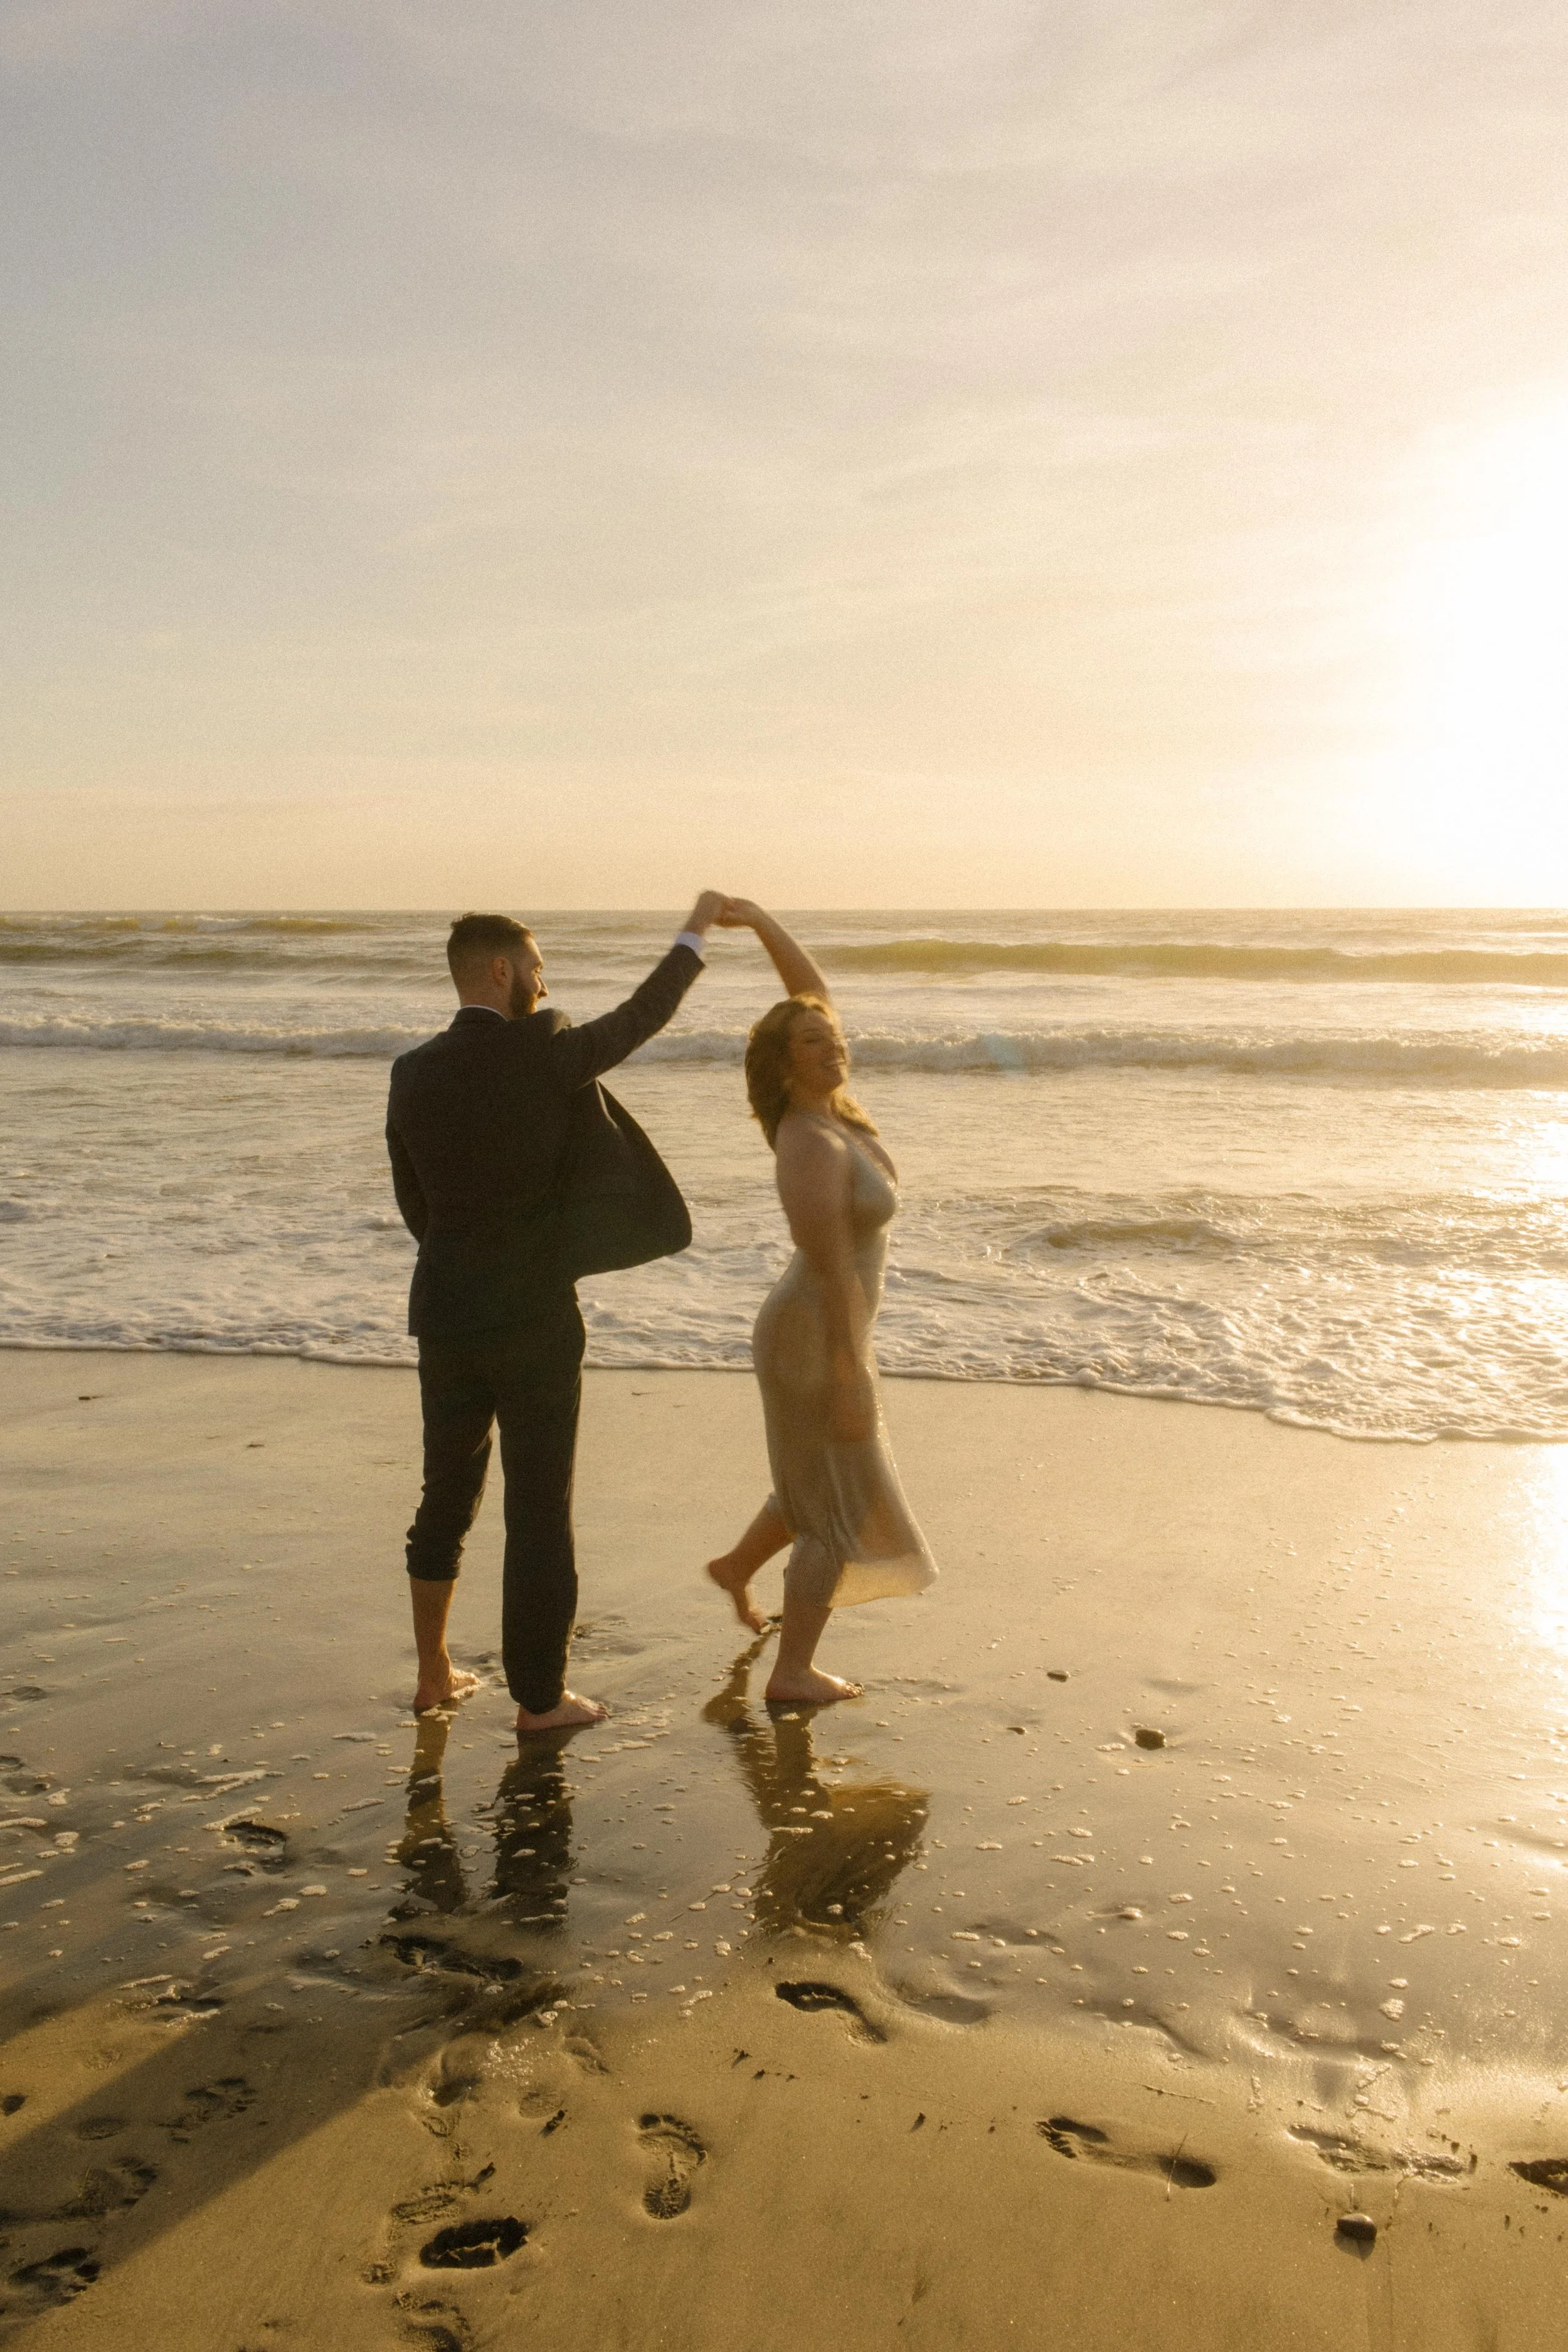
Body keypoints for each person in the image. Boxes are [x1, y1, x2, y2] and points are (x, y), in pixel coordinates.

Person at [387, 894, 728, 1732]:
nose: (545, 982)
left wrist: (464, 1259)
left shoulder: (412, 1071)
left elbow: (415, 1202)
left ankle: (434, 1671)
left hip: (445, 1311)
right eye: (536, 966)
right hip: (535, 1316)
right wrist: (698, 927)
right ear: (502, 970)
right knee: (537, 1509)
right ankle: (541, 1701)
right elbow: (643, 1016)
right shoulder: (544, 1054)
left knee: (445, 1496)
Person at [705, 903, 937, 1702]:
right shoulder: (805, 1142)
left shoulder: (831, 1112)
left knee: (816, 1481)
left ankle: (736, 1569)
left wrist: (760, 920)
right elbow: (833, 1266)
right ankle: (791, 1674)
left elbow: (811, 995)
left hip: (825, 1332)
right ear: (782, 1065)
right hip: (811, 1338)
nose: (834, 1045)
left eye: (834, 1038)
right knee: (837, 1508)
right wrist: (850, 1370)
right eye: (813, 1043)